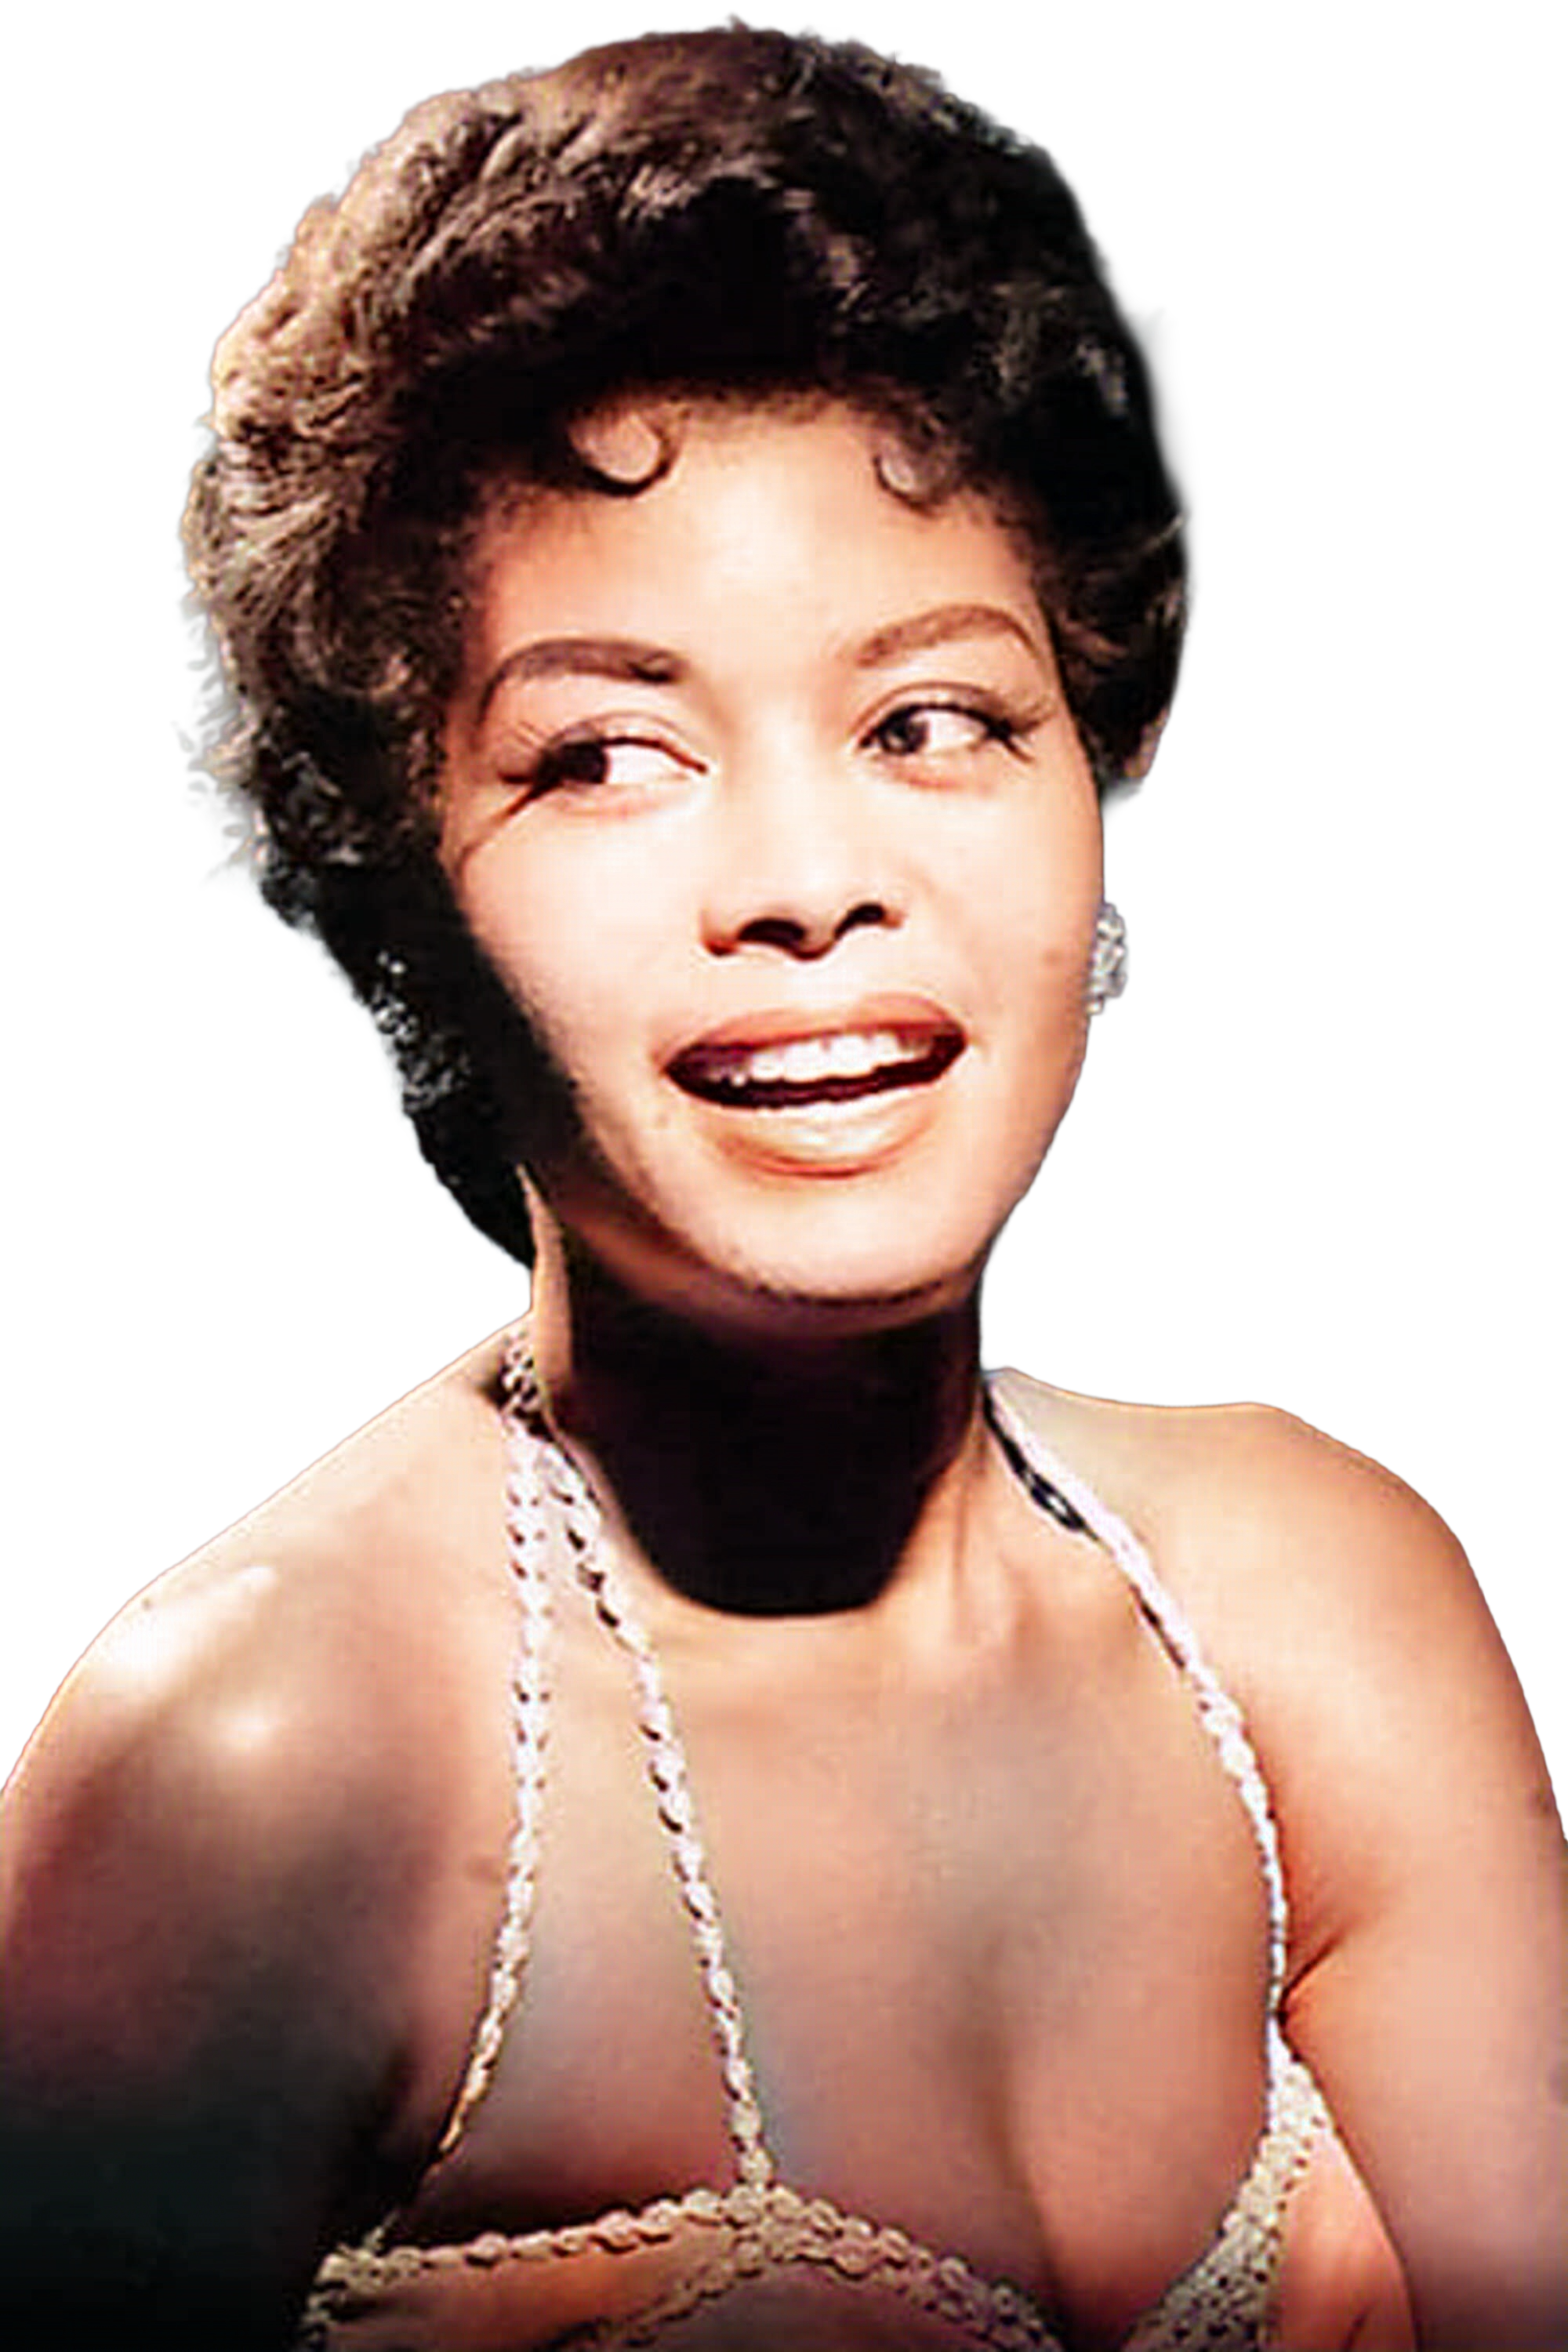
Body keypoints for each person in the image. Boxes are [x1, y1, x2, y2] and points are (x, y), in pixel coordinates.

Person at [2, 24, 1563, 2350]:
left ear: (1095, 770)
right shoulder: (251, 1781)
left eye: (931, 720)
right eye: (610, 755)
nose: (810, 882)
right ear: (402, 880)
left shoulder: (1320, 1616)